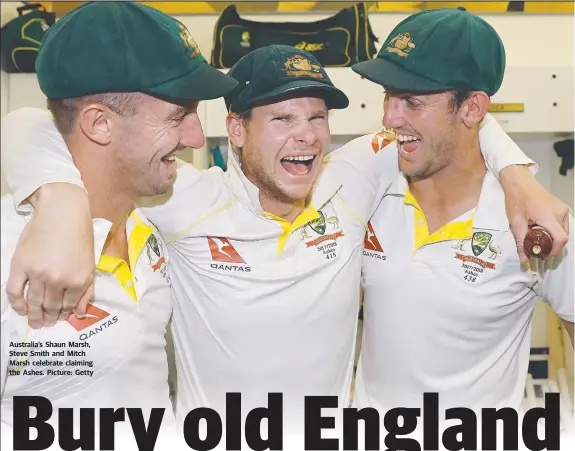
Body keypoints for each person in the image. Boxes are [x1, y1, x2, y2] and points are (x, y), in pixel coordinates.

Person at [1, 41, 570, 446]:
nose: (306, 134)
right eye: (282, 117)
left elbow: (463, 118)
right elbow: (34, 122)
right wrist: (60, 197)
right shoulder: (180, 199)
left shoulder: (353, 177)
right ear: (238, 130)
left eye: (317, 117)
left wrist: (518, 176)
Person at [0, 2, 236, 450]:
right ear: (99, 124)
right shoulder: (10, 253)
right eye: (177, 116)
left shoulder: (153, 225)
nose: (196, 138)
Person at [352, 6, 574, 446]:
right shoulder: (368, 184)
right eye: (388, 97)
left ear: (472, 108)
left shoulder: (534, 223)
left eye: (413, 102)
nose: (390, 118)